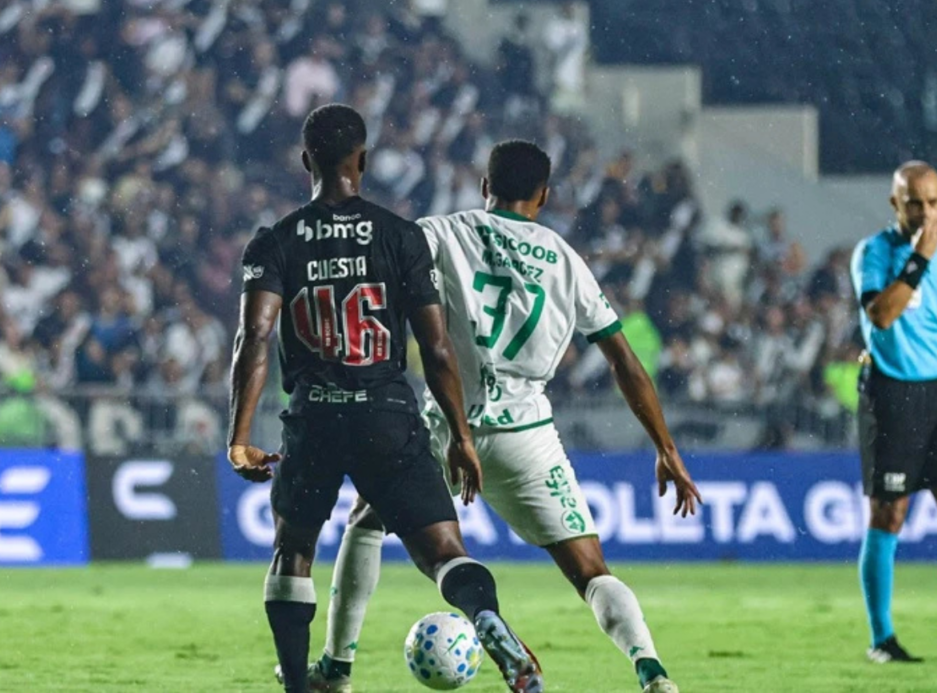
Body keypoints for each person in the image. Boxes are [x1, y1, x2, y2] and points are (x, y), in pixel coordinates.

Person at [303, 140, 701, 693]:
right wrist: (667, 448)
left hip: (447, 425)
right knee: (591, 571)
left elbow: (376, 259)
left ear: (485, 187)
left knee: (366, 523)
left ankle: (336, 668)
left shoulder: (442, 232)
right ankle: (652, 672)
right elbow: (624, 362)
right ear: (543, 196)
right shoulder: (566, 260)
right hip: (528, 436)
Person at [227, 105, 544, 693]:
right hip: (387, 415)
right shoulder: (400, 236)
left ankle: (301, 683)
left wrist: (239, 438)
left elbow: (256, 338)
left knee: (293, 549)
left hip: (315, 416)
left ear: (306, 162)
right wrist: (462, 437)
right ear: (363, 162)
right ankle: (486, 620)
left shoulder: (276, 241)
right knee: (444, 551)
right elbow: (438, 347)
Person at [850, 161, 937, 663]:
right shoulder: (874, 254)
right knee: (889, 514)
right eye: (915, 201)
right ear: (896, 203)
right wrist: (918, 261)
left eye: (933, 201)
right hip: (892, 394)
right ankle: (882, 639)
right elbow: (882, 315)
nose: (926, 211)